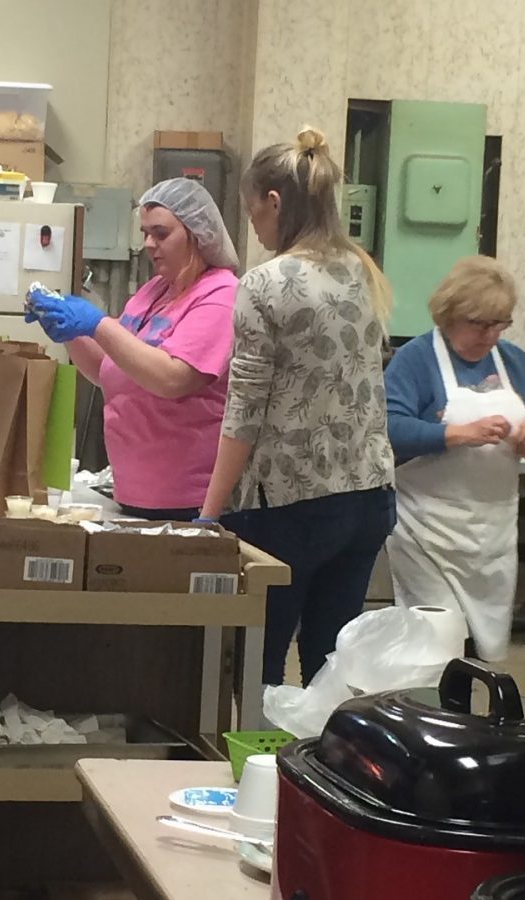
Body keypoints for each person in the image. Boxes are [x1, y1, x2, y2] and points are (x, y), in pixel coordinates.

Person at [199, 127, 396, 688]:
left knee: (257, 662)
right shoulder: (362, 270)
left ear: (275, 202)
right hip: (368, 497)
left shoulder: (265, 283)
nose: (254, 226)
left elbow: (245, 410)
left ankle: (258, 769)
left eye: (252, 211)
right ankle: (323, 768)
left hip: (293, 503)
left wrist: (210, 514)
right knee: (329, 666)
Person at [25, 178, 239, 520]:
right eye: (145, 234)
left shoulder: (220, 295)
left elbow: (172, 378)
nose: (149, 245)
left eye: (161, 233)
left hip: (187, 502)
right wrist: (68, 331)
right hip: (133, 495)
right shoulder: (155, 290)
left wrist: (97, 324)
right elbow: (108, 370)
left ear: (198, 234)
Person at [384, 256, 525, 661]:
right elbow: (389, 428)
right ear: (449, 314)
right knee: (437, 643)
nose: (489, 335)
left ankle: (471, 723)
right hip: (427, 530)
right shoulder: (415, 360)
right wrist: (458, 433)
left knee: (483, 651)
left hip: (493, 532)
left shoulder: (515, 362)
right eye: (479, 323)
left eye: (499, 323)